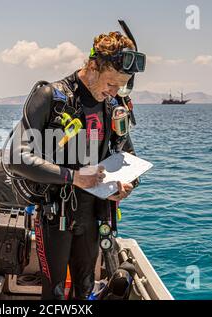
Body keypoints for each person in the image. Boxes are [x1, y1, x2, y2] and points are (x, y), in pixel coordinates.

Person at [8, 30, 146, 299]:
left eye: (122, 86)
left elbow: (128, 154)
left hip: (95, 213)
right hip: (55, 214)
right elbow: (15, 157)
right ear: (92, 67)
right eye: (111, 83)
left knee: (84, 290)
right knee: (56, 293)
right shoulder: (51, 96)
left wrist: (128, 185)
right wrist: (74, 177)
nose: (114, 92)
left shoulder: (113, 105)